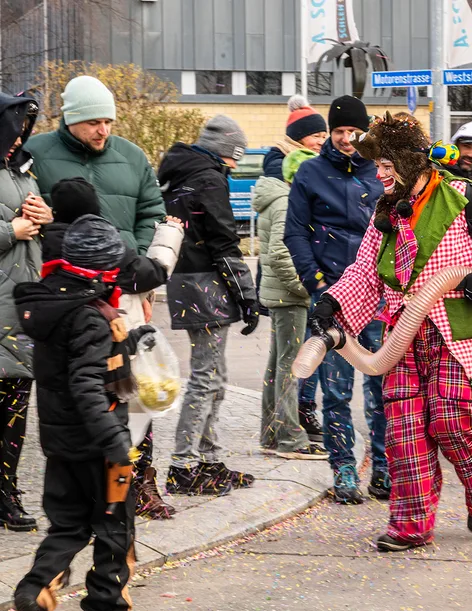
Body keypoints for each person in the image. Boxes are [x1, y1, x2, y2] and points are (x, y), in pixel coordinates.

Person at [309, 112, 472, 552]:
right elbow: (366, 272)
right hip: (403, 333)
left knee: (451, 415)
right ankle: (410, 524)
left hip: (458, 328)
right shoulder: (385, 214)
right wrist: (334, 300)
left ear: (410, 163)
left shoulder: (466, 196)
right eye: (378, 167)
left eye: (388, 165)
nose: (380, 174)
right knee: (404, 425)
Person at [24, 74, 170, 518]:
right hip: (66, 296)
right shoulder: (37, 155)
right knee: (80, 389)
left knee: (137, 385)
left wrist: (141, 276)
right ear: (70, 120)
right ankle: (79, 488)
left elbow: (152, 213)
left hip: (124, 290)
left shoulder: (131, 155)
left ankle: (141, 483)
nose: (102, 130)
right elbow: (23, 212)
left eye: (108, 121)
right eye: (92, 123)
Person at [11, 215, 159, 611]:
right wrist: (115, 443)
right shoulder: (91, 315)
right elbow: (87, 382)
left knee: (68, 525)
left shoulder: (54, 304)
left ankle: (36, 590)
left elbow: (75, 362)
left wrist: (127, 344)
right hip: (99, 442)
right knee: (115, 525)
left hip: (61, 441)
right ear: (103, 269)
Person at [41, 177, 184, 520]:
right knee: (131, 408)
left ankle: (92, 493)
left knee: (80, 412)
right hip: (111, 340)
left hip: (64, 353)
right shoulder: (100, 244)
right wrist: (169, 234)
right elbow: (151, 272)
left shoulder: (49, 242)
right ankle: (131, 486)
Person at [284, 95, 388, 504]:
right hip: (332, 298)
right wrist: (316, 282)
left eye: (354, 131)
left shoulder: (382, 174)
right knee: (337, 390)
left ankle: (382, 468)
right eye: (340, 131)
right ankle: (344, 468)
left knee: (382, 389)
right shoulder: (310, 173)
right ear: (329, 132)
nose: (347, 139)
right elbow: (295, 231)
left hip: (378, 299)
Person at [159, 115, 259, 496]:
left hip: (183, 280)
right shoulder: (210, 179)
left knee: (214, 376)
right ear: (223, 152)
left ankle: (208, 458)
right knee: (206, 378)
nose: (235, 165)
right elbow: (224, 242)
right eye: (235, 157)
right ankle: (184, 464)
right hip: (205, 284)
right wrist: (247, 296)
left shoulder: (179, 174)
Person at [254, 142, 327, 460]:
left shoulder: (277, 199)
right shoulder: (285, 203)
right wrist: (307, 288)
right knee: (289, 365)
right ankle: (290, 438)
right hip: (290, 296)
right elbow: (282, 255)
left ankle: (271, 433)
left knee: (277, 364)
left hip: (281, 294)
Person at [0, 91, 47, 532]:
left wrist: (44, 216)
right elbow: (13, 232)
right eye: (12, 132)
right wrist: (9, 230)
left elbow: (38, 239)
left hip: (20, 311)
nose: (18, 140)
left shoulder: (25, 174)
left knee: (16, 410)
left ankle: (7, 490)